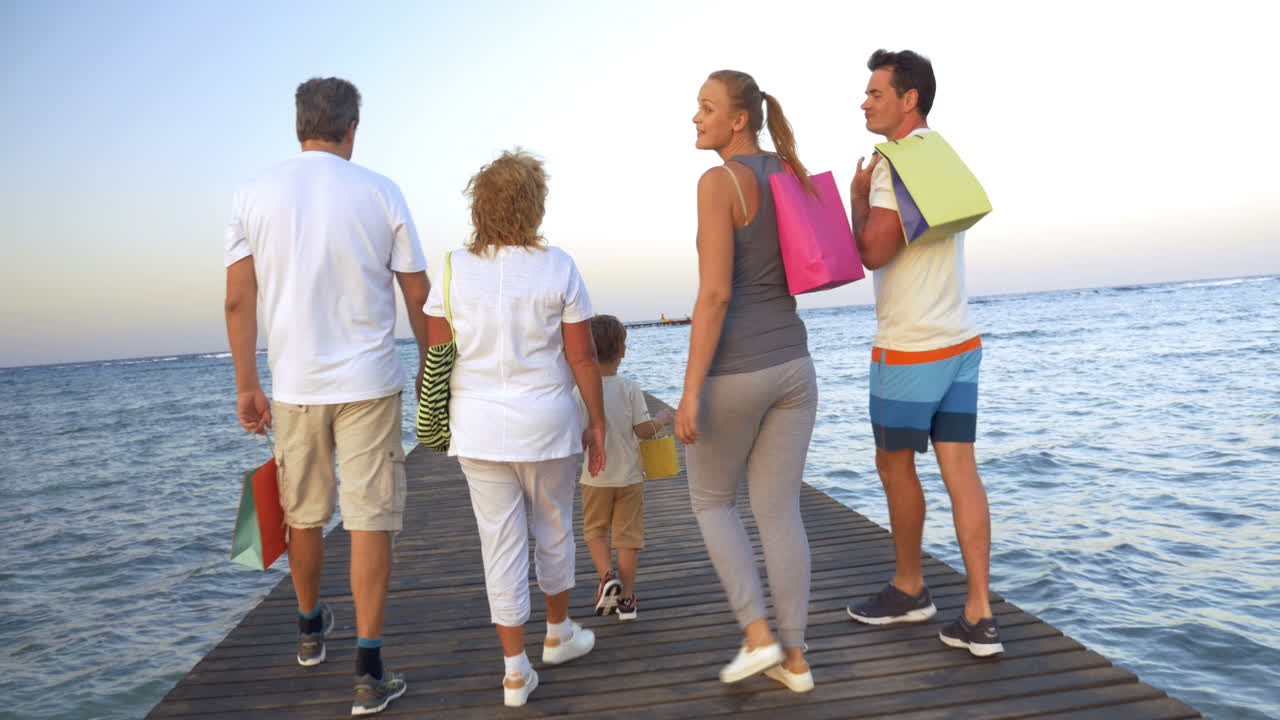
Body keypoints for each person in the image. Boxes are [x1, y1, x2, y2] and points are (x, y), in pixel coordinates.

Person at [223, 77, 428, 715]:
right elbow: (417, 295)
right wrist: (432, 368)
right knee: (370, 519)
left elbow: (237, 298)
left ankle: (311, 628)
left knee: (303, 513)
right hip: (369, 383)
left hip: (295, 387)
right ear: (351, 128)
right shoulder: (380, 190)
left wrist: (247, 384)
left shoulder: (252, 195)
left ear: (298, 126)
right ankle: (369, 666)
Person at [424, 150, 607, 707]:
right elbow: (582, 356)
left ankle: (513, 671)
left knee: (498, 542)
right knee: (553, 525)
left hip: (477, 426)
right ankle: (556, 634)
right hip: (546, 421)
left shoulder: (454, 266)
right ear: (534, 205)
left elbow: (437, 350)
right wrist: (597, 420)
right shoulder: (558, 266)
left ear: (479, 205)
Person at [845, 49, 1003, 657]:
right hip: (960, 339)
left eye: (875, 92)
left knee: (894, 466)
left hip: (910, 347)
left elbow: (875, 252)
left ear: (908, 98)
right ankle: (979, 614)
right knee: (961, 470)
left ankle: (911, 589)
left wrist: (860, 197)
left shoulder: (892, 165)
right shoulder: (940, 157)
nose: (864, 101)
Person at [677, 70, 819, 693]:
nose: (695, 117)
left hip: (737, 368)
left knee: (712, 502)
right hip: (795, 364)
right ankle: (797, 662)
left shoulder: (719, 181)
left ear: (739, 119)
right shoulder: (788, 173)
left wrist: (688, 390)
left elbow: (713, 294)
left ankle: (758, 637)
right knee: (780, 511)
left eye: (706, 107)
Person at [573, 314, 673, 621]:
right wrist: (663, 418)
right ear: (623, 351)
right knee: (628, 539)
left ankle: (607, 577)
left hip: (595, 478)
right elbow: (644, 431)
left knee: (595, 532)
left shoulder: (577, 391)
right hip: (630, 478)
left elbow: (575, 436)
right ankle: (627, 600)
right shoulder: (630, 387)